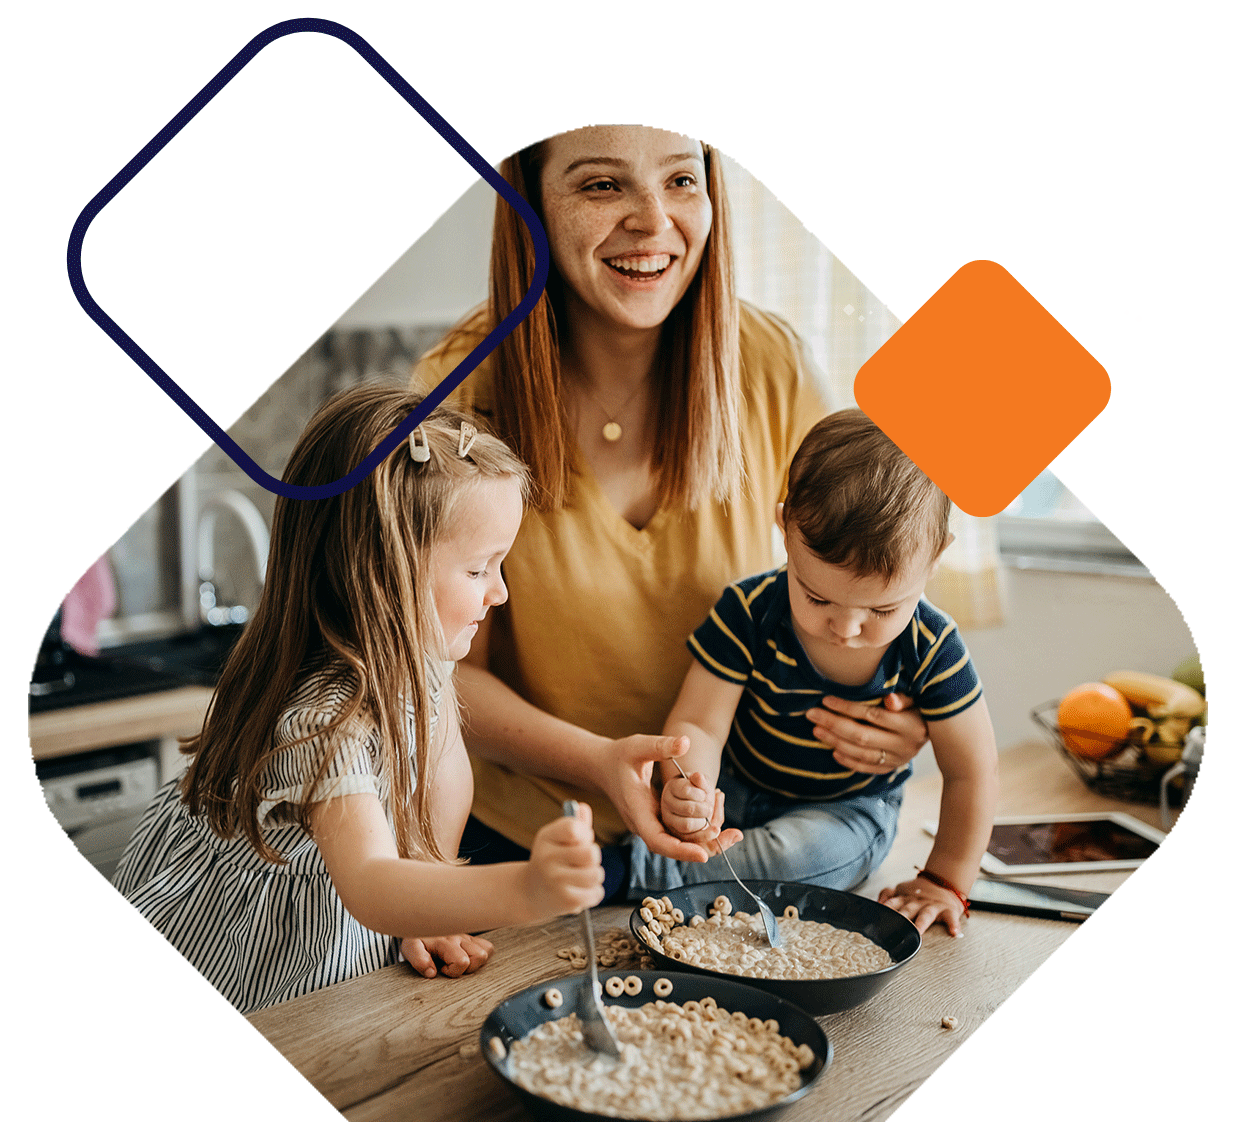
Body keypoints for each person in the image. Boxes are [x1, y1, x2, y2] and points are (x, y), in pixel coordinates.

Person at [412, 124, 931, 901]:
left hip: (732, 831)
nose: (654, 221)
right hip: (530, 845)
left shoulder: (771, 362)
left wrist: (901, 714)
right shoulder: (458, 388)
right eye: (601, 185)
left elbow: (879, 568)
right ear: (529, 204)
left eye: (681, 181)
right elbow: (440, 675)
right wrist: (598, 762)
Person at [112, 385, 605, 1014]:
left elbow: (444, 777)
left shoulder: (424, 658)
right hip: (240, 971)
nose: (499, 594)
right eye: (480, 569)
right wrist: (527, 889)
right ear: (384, 572)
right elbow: (371, 882)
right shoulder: (323, 722)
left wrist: (432, 893)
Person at [658, 410, 1000, 934]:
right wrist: (695, 793)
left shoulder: (933, 646)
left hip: (848, 806)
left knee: (808, 859)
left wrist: (945, 880)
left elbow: (971, 771)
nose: (845, 627)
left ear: (936, 558)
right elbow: (700, 726)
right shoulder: (749, 609)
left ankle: (641, 873)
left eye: (882, 610)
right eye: (816, 596)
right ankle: (676, 860)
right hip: (740, 784)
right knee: (657, 806)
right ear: (785, 531)